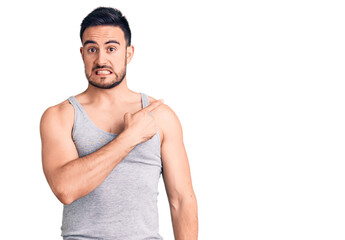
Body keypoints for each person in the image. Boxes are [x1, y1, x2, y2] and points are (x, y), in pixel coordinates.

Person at [40, 6, 198, 240]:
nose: (101, 59)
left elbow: (181, 200)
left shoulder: (161, 116)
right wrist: (129, 138)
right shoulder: (61, 116)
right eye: (92, 49)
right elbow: (65, 189)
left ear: (129, 53)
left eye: (111, 48)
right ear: (82, 53)